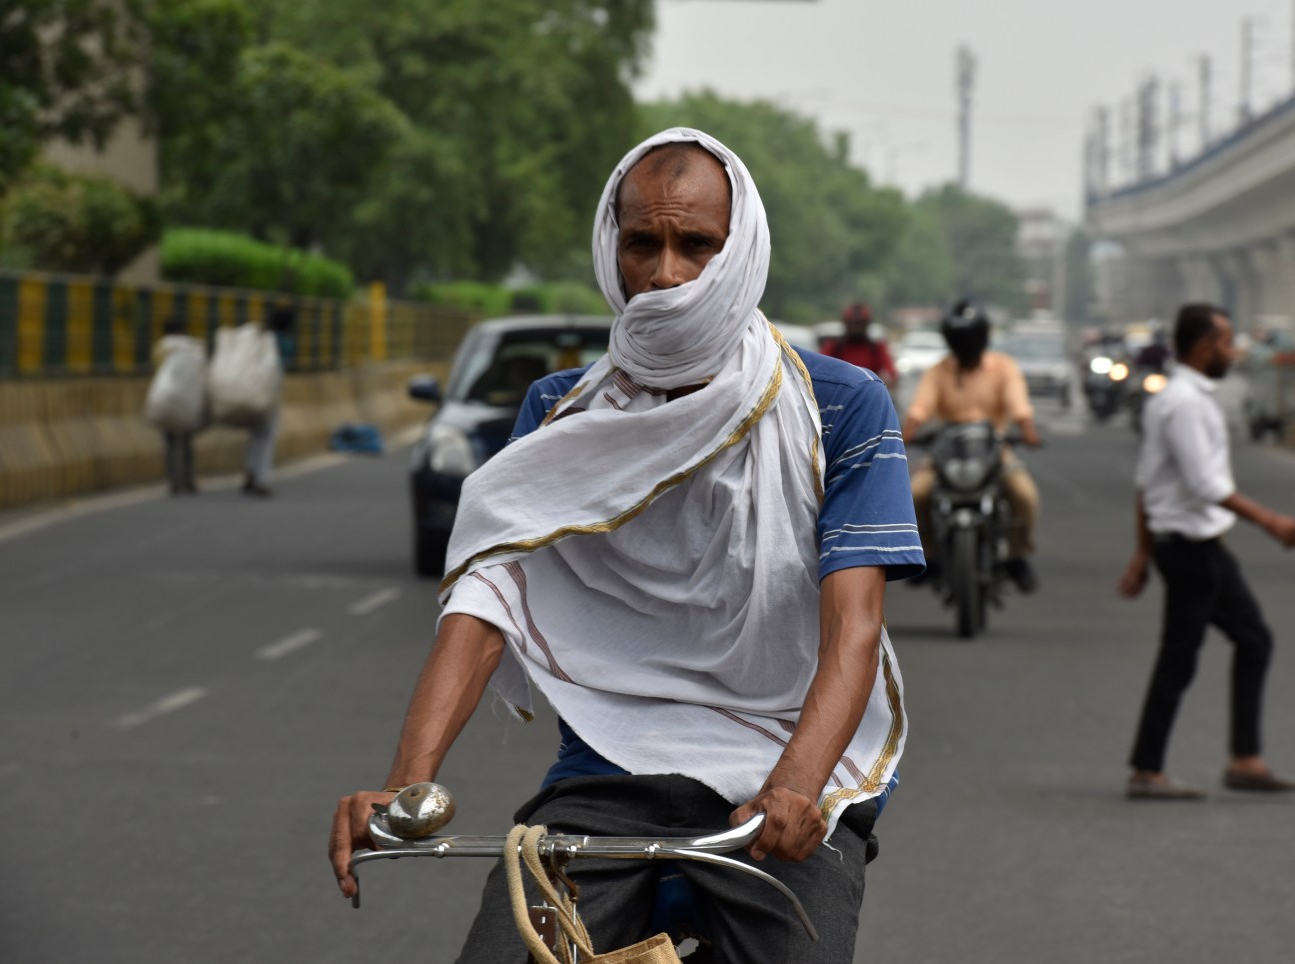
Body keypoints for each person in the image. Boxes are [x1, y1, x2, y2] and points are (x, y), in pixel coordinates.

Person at [328, 128, 922, 962]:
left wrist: (795, 784)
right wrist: (404, 785)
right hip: (605, 778)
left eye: (697, 245)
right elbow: (486, 599)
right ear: (614, 250)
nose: (667, 273)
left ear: (741, 250)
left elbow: (852, 628)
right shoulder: (559, 411)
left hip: (784, 781)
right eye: (643, 243)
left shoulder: (843, 406)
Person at [1116, 303, 1295, 800]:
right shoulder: (1186, 402)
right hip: (1189, 550)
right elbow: (1206, 485)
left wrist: (1141, 554)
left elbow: (1147, 483)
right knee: (1180, 656)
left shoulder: (1181, 397)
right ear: (1203, 347)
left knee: (1254, 639)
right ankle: (1147, 770)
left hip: (1196, 546)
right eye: (1225, 342)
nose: (1233, 350)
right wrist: (1272, 521)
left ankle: (1245, 759)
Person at [900, 300, 1042, 592]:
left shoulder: (1004, 368)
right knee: (915, 495)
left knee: (1024, 495)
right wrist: (904, 435)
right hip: (945, 454)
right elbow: (919, 409)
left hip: (994, 452)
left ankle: (1017, 556)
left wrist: (1028, 431)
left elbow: (1019, 406)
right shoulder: (939, 371)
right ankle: (929, 555)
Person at [146, 315, 207, 495]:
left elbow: (156, 370)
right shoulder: (194, 346)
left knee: (170, 441)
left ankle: (174, 481)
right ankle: (188, 479)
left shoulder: (161, 347)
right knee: (187, 441)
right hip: (188, 400)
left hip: (166, 398)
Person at [241, 305, 295, 497]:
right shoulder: (285, 343)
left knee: (254, 433)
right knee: (267, 436)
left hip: (251, 389)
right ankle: (261, 480)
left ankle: (250, 471)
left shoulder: (261, 338)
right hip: (271, 392)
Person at [820, 302, 897, 389]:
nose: (856, 328)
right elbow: (819, 371)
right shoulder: (834, 346)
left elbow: (892, 374)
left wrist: (884, 385)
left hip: (868, 395)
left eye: (860, 324)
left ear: (866, 324)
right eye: (852, 324)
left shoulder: (876, 348)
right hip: (839, 396)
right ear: (846, 324)